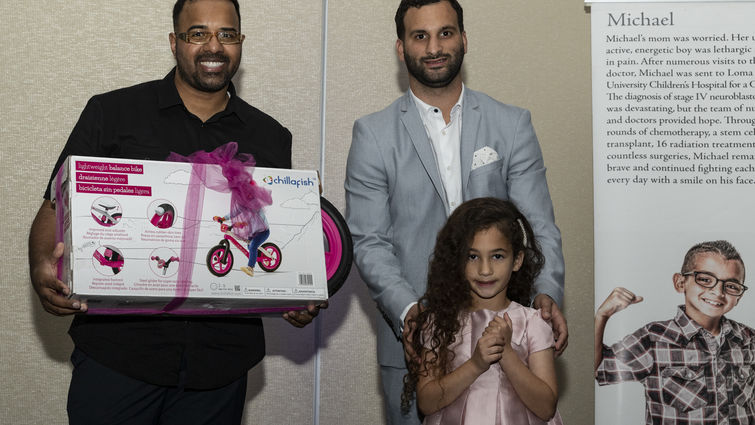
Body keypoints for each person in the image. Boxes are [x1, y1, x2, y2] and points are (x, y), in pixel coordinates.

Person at [28, 1, 325, 423]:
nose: (213, 45)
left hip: (220, 368)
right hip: (119, 358)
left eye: (227, 34)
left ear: (240, 42)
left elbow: (272, 236)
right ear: (174, 42)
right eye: (197, 33)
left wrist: (295, 294)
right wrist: (42, 266)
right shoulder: (112, 114)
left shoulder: (271, 136)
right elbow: (54, 205)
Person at [344, 0, 566, 422]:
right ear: (400, 47)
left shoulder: (511, 123)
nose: (434, 47)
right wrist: (412, 314)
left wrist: (546, 292)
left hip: (509, 339)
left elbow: (538, 225)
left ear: (463, 39)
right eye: (420, 36)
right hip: (415, 343)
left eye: (445, 33)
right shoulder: (372, 135)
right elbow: (369, 241)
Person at [402, 197, 563, 424]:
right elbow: (427, 402)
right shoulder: (440, 323)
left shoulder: (533, 323)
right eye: (472, 256)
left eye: (497, 256)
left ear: (517, 260)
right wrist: (476, 364)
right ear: (458, 260)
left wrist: (507, 353)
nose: (484, 270)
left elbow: (546, 407)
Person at [595, 240, 755, 424]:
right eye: (705, 279)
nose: (718, 292)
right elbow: (599, 369)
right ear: (680, 282)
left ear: (739, 296)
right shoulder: (653, 339)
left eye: (731, 286)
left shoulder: (749, 339)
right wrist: (602, 316)